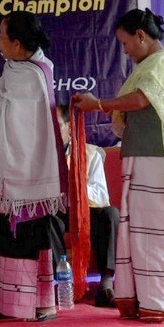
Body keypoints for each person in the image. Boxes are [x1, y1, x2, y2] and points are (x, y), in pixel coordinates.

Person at [73, 8, 164, 323]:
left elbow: (140, 100)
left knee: (162, 234)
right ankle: (148, 301)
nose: (124, 51)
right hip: (144, 160)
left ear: (140, 36)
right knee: (143, 235)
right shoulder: (152, 64)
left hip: (160, 165)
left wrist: (98, 104)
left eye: (125, 43)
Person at [0, 11, 67, 323]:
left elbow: (6, 112)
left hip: (29, 170)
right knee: (2, 231)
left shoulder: (34, 73)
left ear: (16, 44)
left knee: (32, 232)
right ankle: (8, 305)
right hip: (7, 171)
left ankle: (40, 304)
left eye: (2, 37)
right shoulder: (15, 68)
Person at [56, 104, 119, 307]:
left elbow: (101, 195)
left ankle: (106, 284)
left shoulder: (90, 153)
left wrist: (76, 186)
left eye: (57, 125)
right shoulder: (38, 156)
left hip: (85, 212)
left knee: (110, 214)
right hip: (56, 212)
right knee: (48, 222)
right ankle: (58, 284)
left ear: (69, 127)